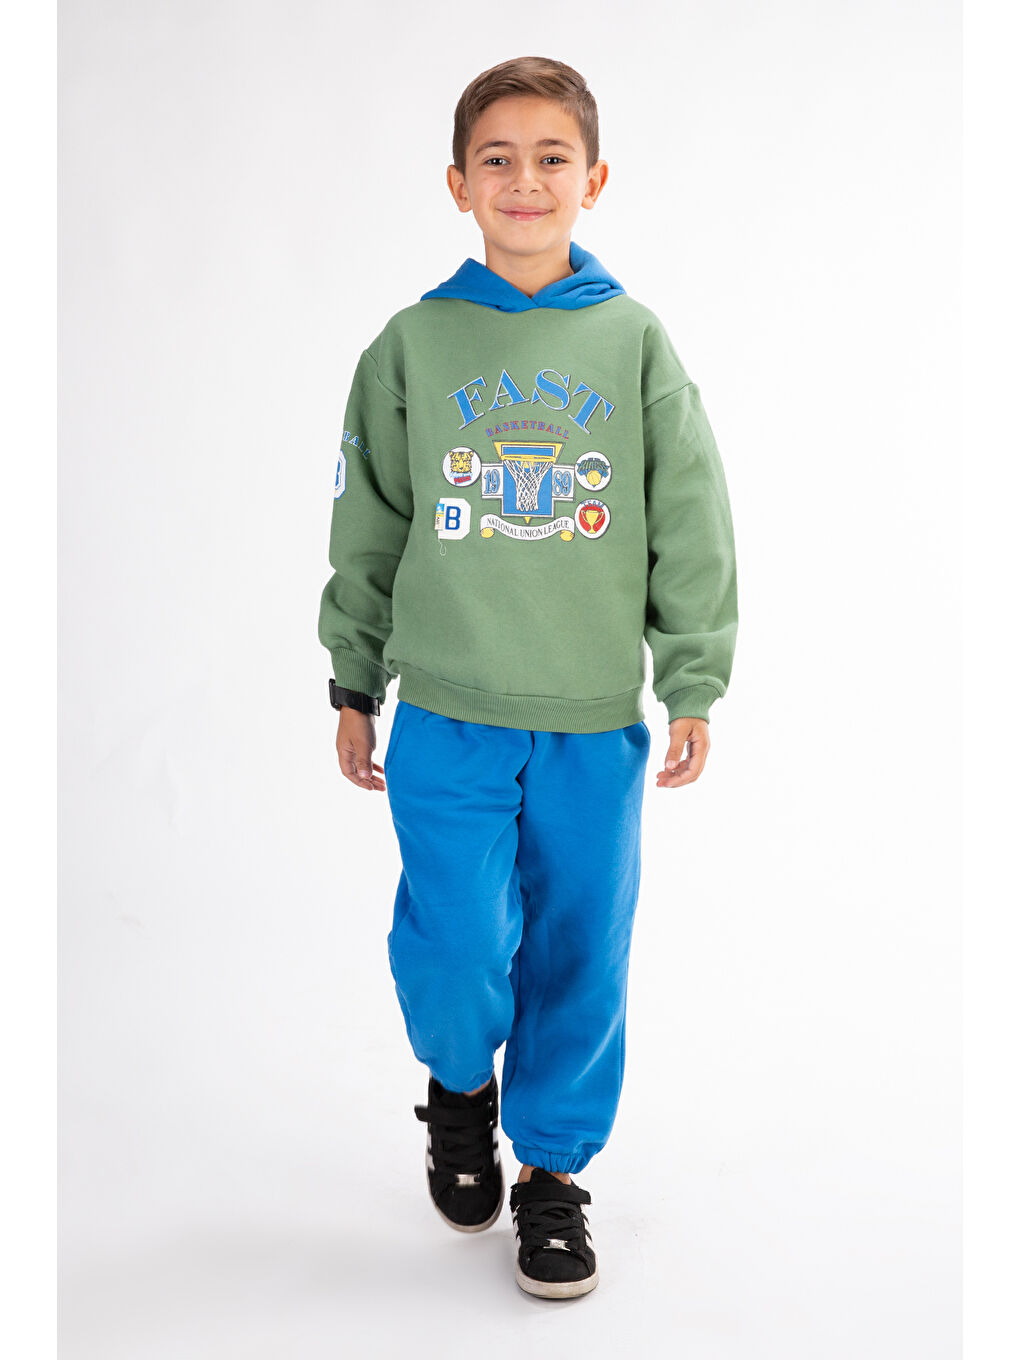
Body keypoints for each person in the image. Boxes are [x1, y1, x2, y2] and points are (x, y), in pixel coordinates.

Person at [317, 55, 738, 1301]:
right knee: (457, 943)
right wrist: (353, 680)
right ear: (458, 184)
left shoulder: (633, 340)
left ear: (593, 180)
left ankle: (552, 1175)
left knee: (578, 950)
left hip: (591, 721)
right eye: (496, 158)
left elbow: (690, 520)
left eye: (553, 157)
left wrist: (695, 677)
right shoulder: (412, 345)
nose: (525, 179)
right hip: (447, 714)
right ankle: (459, 1087)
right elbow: (369, 523)